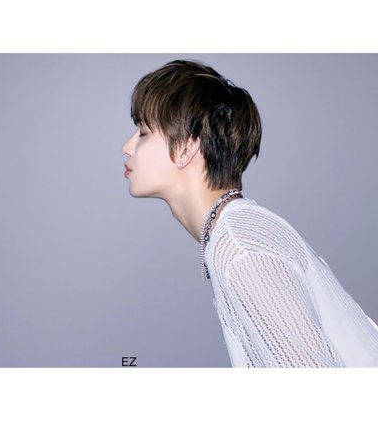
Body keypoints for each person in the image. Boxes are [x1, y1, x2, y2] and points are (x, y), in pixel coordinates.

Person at [121, 59, 378, 368]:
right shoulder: (238, 231)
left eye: (143, 132)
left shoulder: (239, 246)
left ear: (187, 147)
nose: (127, 147)